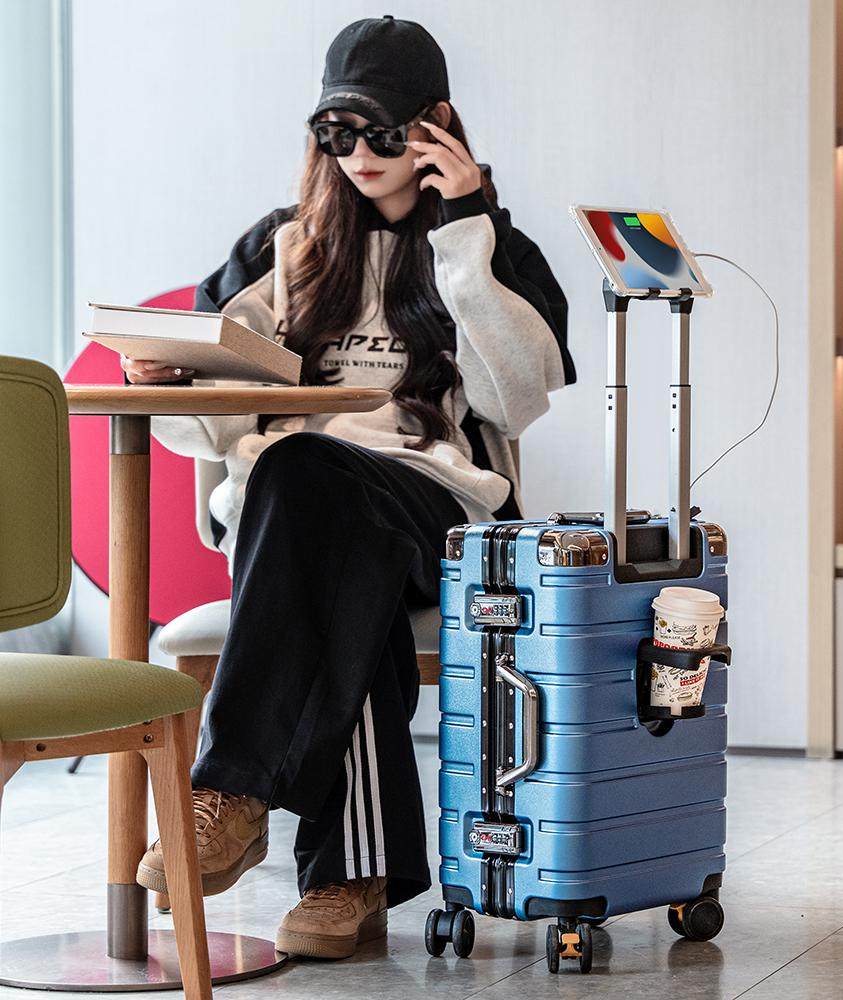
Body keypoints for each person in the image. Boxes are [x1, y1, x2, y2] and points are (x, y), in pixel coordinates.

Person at [120, 15, 574, 960]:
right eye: (336, 132)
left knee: (314, 491)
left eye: (382, 131)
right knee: (326, 537)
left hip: (435, 503)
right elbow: (207, 414)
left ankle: (232, 787)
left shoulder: (493, 250)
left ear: (435, 127)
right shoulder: (282, 249)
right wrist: (163, 376)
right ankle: (347, 876)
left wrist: (466, 231)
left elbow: (515, 401)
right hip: (294, 513)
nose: (359, 154)